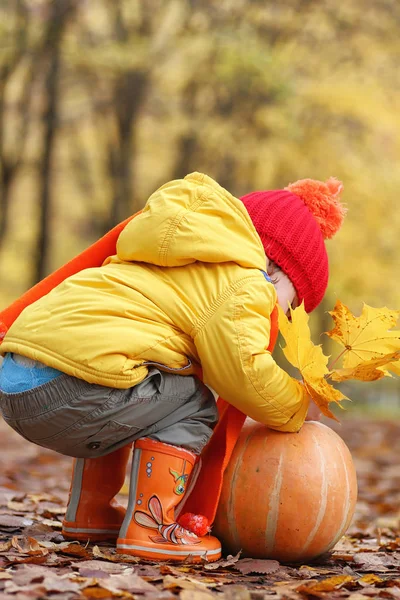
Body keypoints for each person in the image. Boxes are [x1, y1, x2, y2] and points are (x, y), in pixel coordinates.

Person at [0, 172, 345, 562]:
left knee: (134, 381)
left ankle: (91, 512)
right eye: (291, 303)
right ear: (273, 270)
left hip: (16, 379)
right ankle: (152, 529)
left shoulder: (162, 252)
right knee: (192, 404)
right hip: (71, 388)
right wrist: (295, 404)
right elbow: (242, 373)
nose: (283, 318)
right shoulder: (243, 282)